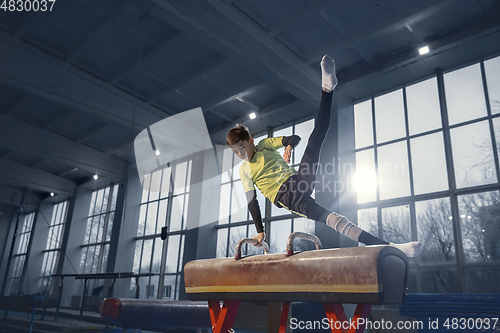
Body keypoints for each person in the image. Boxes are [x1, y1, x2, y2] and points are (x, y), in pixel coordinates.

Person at [226, 55, 421, 257]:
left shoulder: (265, 145)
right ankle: (394, 248)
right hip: (288, 198)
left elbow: (295, 137)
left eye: (242, 147)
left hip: (298, 180)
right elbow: (252, 201)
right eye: (235, 152)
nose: (240, 154)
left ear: (250, 139)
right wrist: (260, 231)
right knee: (336, 220)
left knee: (315, 139)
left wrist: (288, 146)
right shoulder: (244, 171)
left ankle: (327, 89)